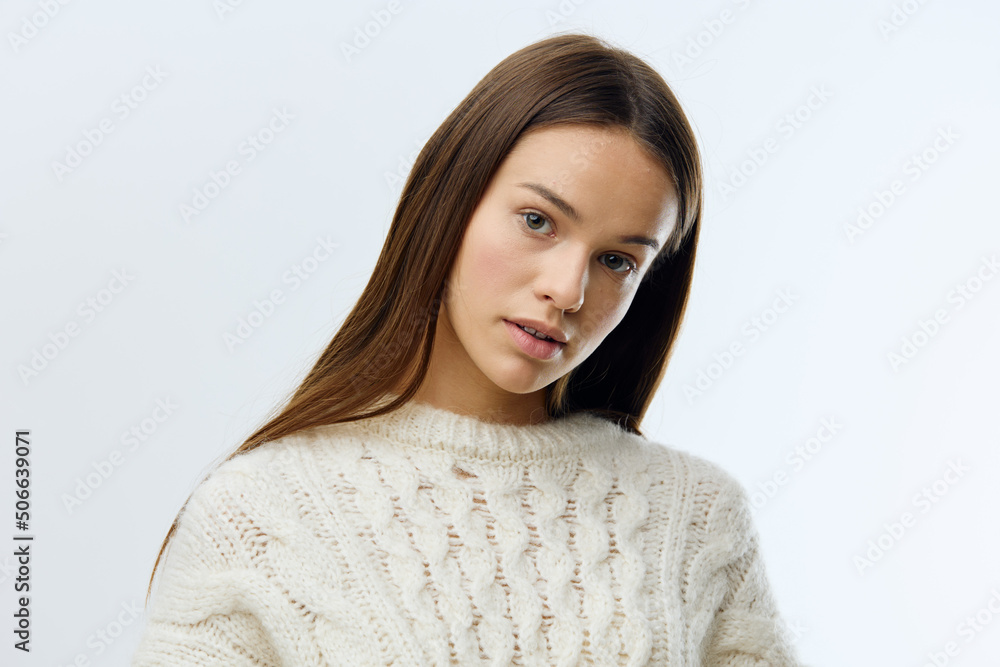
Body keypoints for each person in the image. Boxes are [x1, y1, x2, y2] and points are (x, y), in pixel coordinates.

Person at [132, 32, 804, 666]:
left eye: (617, 261)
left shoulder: (697, 516)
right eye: (538, 221)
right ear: (450, 202)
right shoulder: (257, 515)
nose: (568, 289)